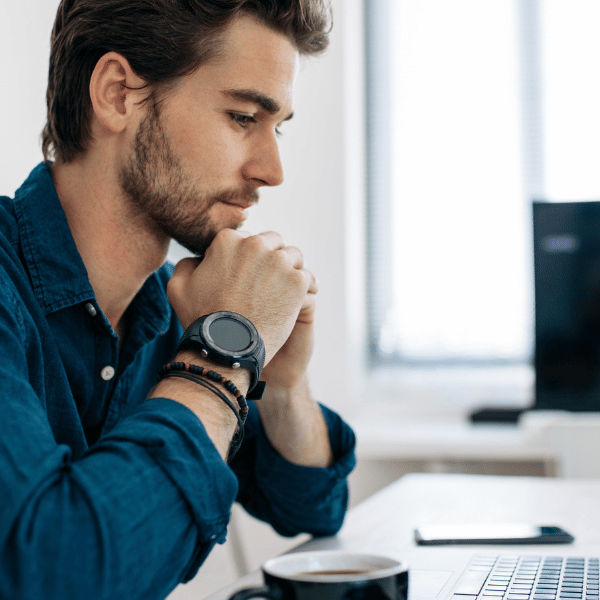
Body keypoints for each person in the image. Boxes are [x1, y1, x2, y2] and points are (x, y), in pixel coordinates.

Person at [0, 1, 356, 598]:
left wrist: (282, 383)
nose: (273, 170)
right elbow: (50, 574)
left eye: (279, 127)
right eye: (243, 116)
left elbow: (314, 508)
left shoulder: (177, 309)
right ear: (118, 94)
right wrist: (224, 354)